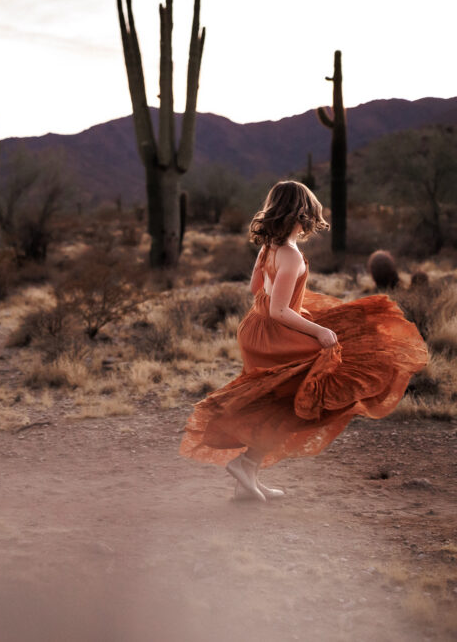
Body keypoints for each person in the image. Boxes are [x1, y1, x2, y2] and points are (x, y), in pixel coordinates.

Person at [179, 180, 428, 501]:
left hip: (255, 328)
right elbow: (281, 310)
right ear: (302, 215)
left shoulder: (268, 248)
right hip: (271, 330)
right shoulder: (291, 256)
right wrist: (319, 331)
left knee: (278, 397)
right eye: (309, 212)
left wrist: (299, 310)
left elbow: (257, 289)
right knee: (303, 397)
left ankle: (246, 480)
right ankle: (247, 462)